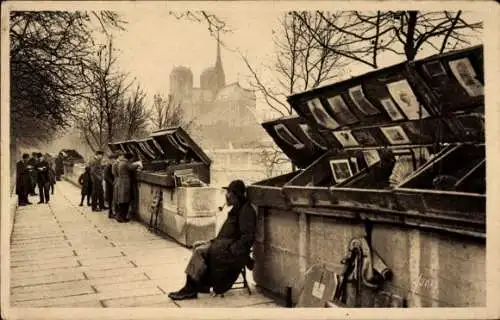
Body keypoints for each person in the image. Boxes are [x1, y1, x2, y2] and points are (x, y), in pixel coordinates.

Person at [168, 179, 257, 300]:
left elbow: (248, 237)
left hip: (230, 252)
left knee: (200, 251)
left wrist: (231, 250)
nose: (227, 195)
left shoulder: (245, 211)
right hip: (223, 246)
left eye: (229, 192)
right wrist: (212, 242)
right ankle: (196, 286)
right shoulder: (237, 208)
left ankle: (190, 289)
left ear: (237, 195)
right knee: (197, 245)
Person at [113, 152, 142, 223]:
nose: (132, 160)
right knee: (125, 201)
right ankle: (122, 217)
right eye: (131, 159)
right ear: (130, 158)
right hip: (125, 184)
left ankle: (119, 217)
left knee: (121, 201)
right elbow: (132, 167)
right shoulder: (126, 163)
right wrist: (138, 163)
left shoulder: (120, 163)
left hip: (121, 183)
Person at [104, 153, 118, 219]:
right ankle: (110, 214)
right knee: (110, 200)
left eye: (114, 160)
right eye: (112, 160)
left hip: (110, 185)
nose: (113, 161)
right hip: (109, 186)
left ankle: (111, 213)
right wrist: (113, 183)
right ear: (110, 160)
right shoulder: (108, 166)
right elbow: (106, 177)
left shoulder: (110, 166)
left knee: (111, 200)